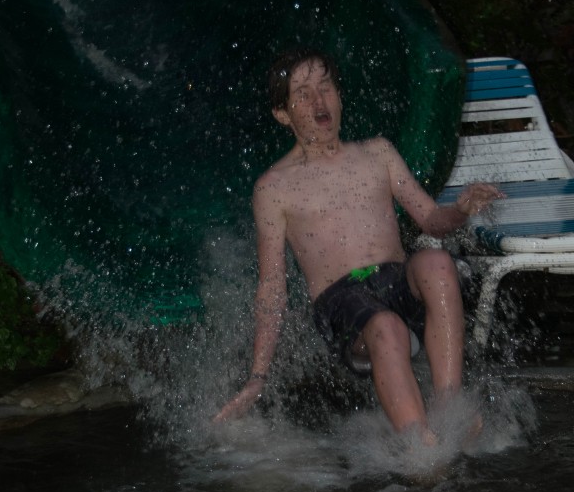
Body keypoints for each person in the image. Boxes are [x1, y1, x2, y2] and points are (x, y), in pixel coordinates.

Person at [214, 48, 502, 440]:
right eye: (303, 94)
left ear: (339, 96)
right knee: (384, 326)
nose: (319, 100)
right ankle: (418, 442)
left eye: (326, 88)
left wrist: (463, 210)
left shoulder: (377, 153)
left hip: (398, 283)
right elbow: (271, 288)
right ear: (283, 114)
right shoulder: (274, 188)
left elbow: (433, 221)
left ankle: (449, 407)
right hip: (342, 303)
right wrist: (257, 376)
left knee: (436, 261)